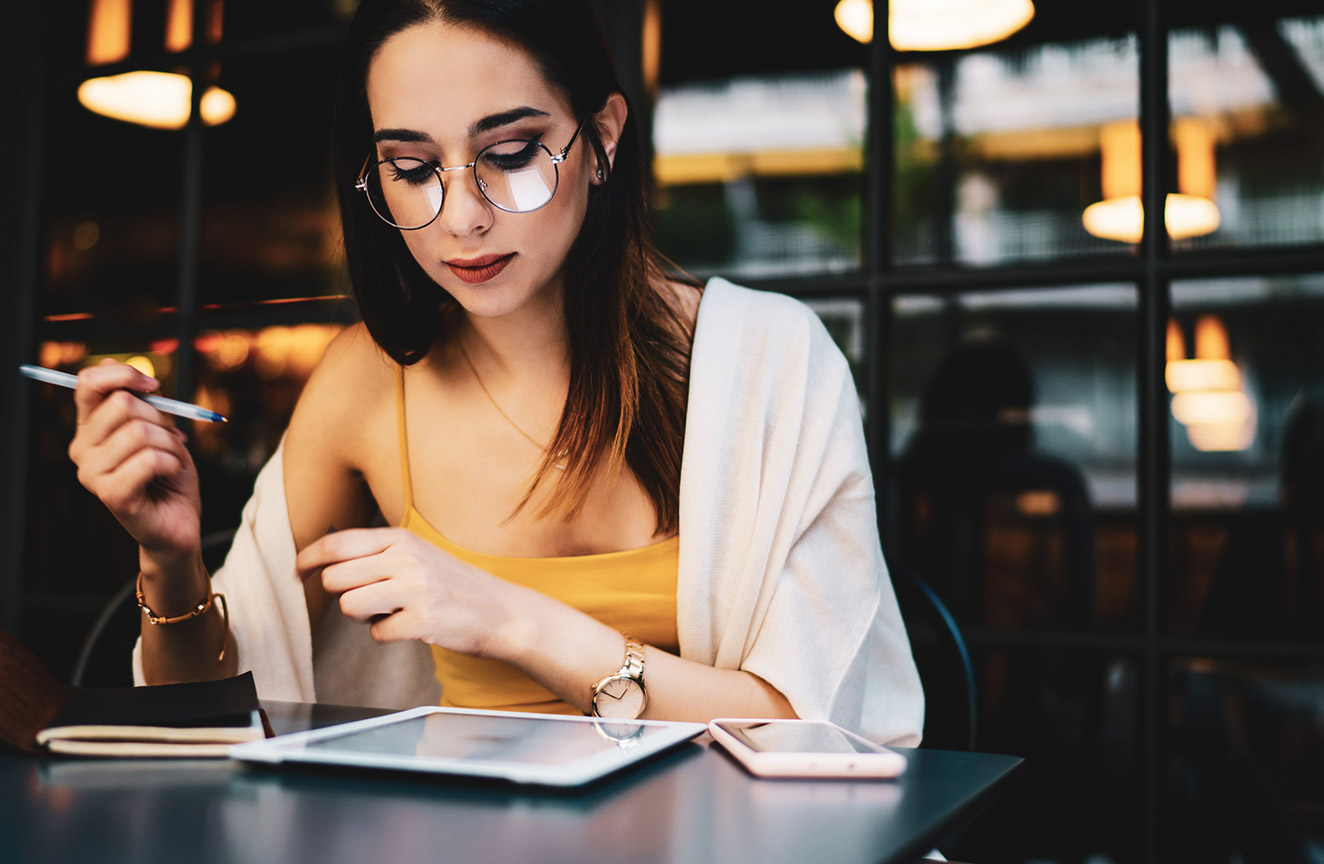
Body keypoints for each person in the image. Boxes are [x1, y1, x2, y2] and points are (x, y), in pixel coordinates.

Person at [66, 0, 922, 742]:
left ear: (602, 139)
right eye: (411, 169)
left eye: (510, 152)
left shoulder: (771, 363)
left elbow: (818, 731)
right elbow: (209, 725)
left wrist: (511, 619)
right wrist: (169, 562)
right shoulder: (369, 382)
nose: (463, 219)